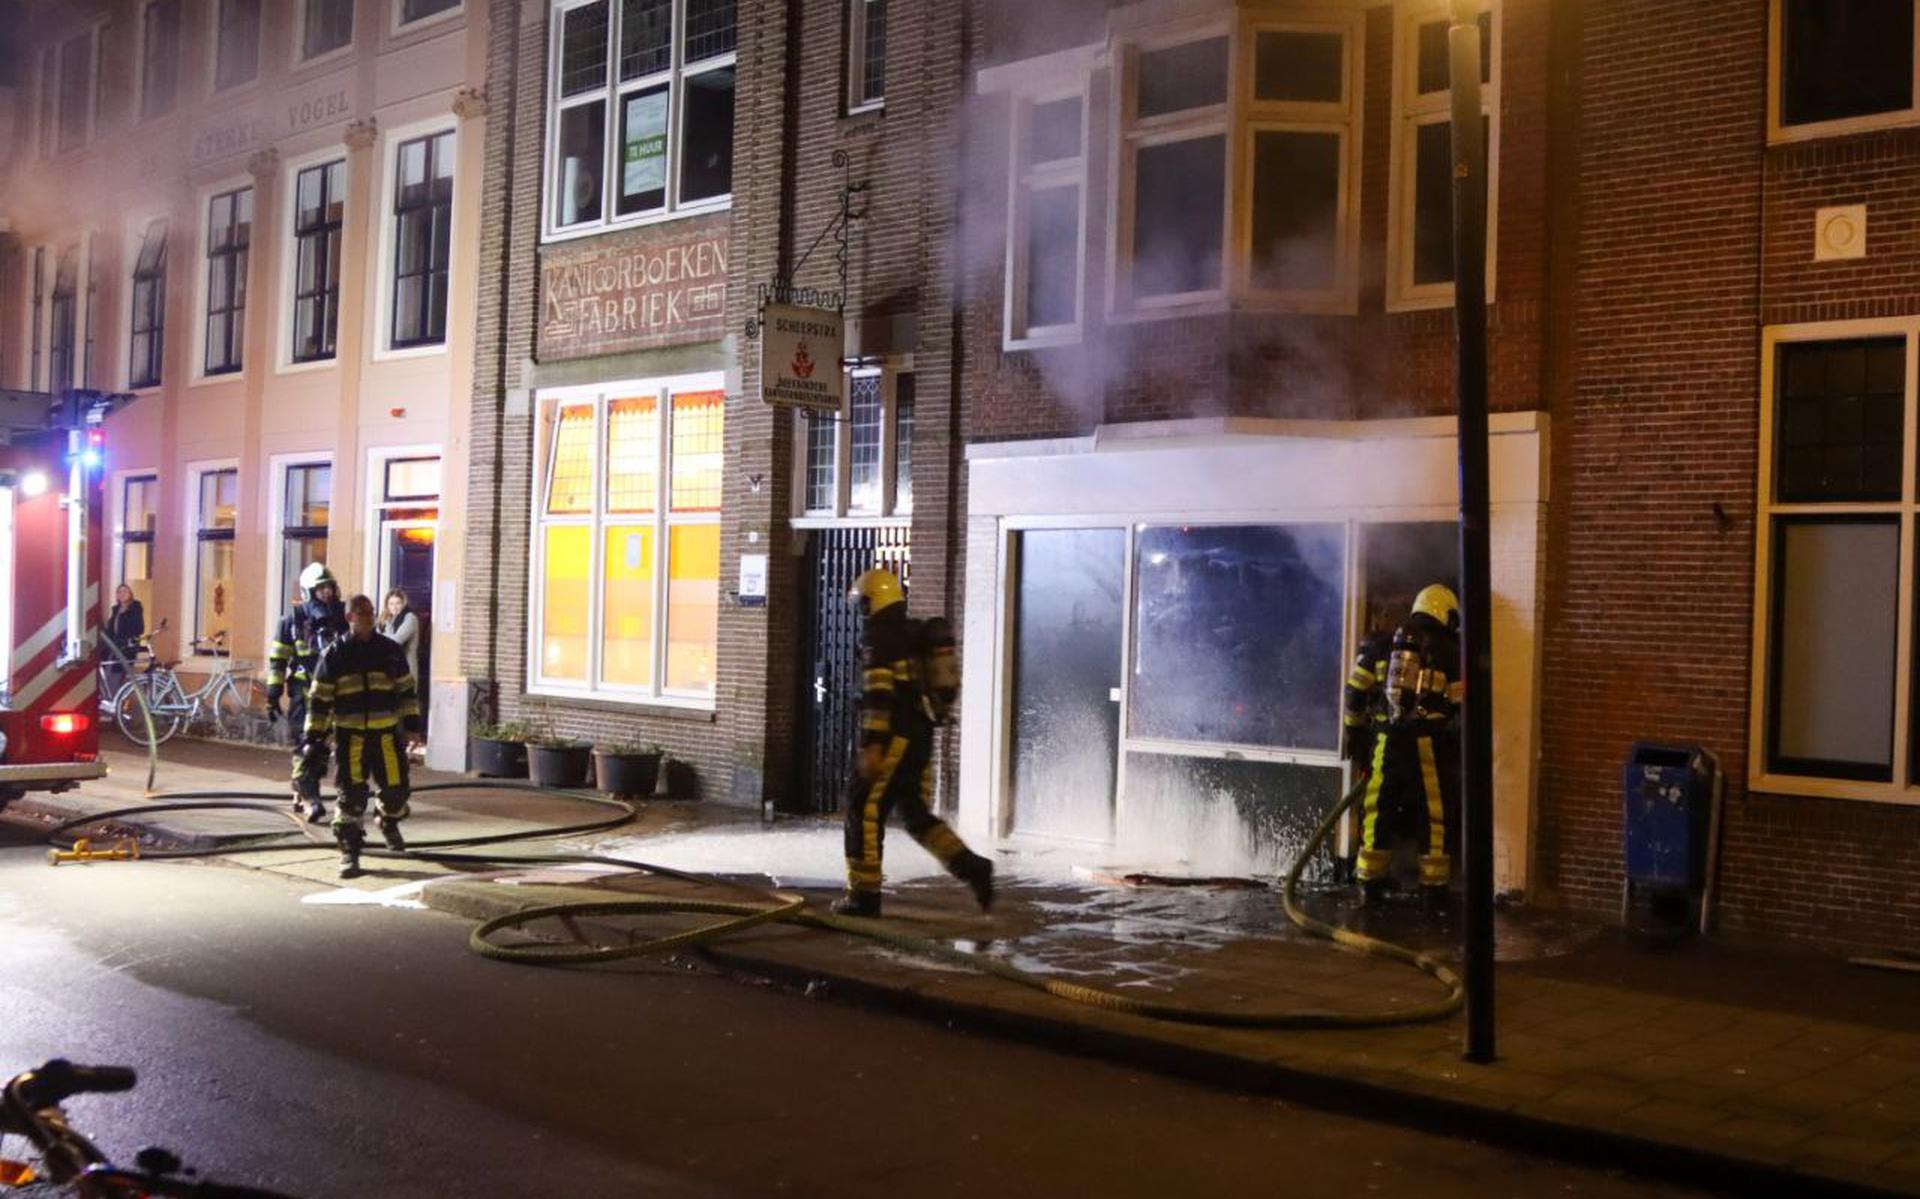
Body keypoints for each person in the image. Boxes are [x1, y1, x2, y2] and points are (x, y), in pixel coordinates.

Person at [832, 568, 994, 918]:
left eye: (864, 603)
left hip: (893, 739)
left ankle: (863, 895)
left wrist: (872, 745)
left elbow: (880, 695)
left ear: (874, 601)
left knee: (863, 809)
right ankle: (973, 868)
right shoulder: (910, 632)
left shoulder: (879, 637)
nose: (861, 609)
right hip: (919, 739)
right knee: (915, 815)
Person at [1343, 584, 1462, 910]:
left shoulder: (1382, 644)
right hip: (1428, 741)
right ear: (1445, 613)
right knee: (1434, 812)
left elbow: (1355, 691)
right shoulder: (1451, 652)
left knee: (1377, 806)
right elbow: (1459, 702)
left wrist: (1354, 732)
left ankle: (1369, 881)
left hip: (1384, 738)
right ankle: (1433, 888)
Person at [303, 593, 419, 879]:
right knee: (352, 798)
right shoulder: (335, 654)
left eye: (370, 613)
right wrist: (314, 737)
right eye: (361, 613)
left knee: (396, 792)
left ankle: (388, 820)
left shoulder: (389, 650)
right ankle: (350, 853)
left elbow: (406, 689)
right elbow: (320, 699)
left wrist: (413, 724)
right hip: (350, 737)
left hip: (386, 736)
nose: (367, 618)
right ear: (349, 618)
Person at [268, 562, 348, 823]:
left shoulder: (341, 619)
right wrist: (273, 693)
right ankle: (310, 798)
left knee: (323, 747)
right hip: (304, 692)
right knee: (306, 744)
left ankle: (301, 788)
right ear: (308, 592)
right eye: (320, 589)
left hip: (333, 693)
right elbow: (278, 659)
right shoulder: (292, 621)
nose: (326, 593)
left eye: (329, 588)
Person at [100, 584, 145, 701]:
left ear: (130, 594)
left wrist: (125, 641)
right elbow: (111, 630)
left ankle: (113, 705)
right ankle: (110, 703)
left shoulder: (135, 608)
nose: (122, 594)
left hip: (125, 649)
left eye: (125, 591)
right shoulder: (116, 610)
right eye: (119, 592)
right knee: (107, 675)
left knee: (116, 676)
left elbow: (139, 628)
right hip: (113, 648)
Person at [378, 589, 421, 683]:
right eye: (391, 604)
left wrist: (381, 636)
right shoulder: (385, 619)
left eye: (398, 603)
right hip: (389, 669)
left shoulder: (410, 618)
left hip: (406, 668)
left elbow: (396, 641)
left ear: (403, 603)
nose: (394, 607)